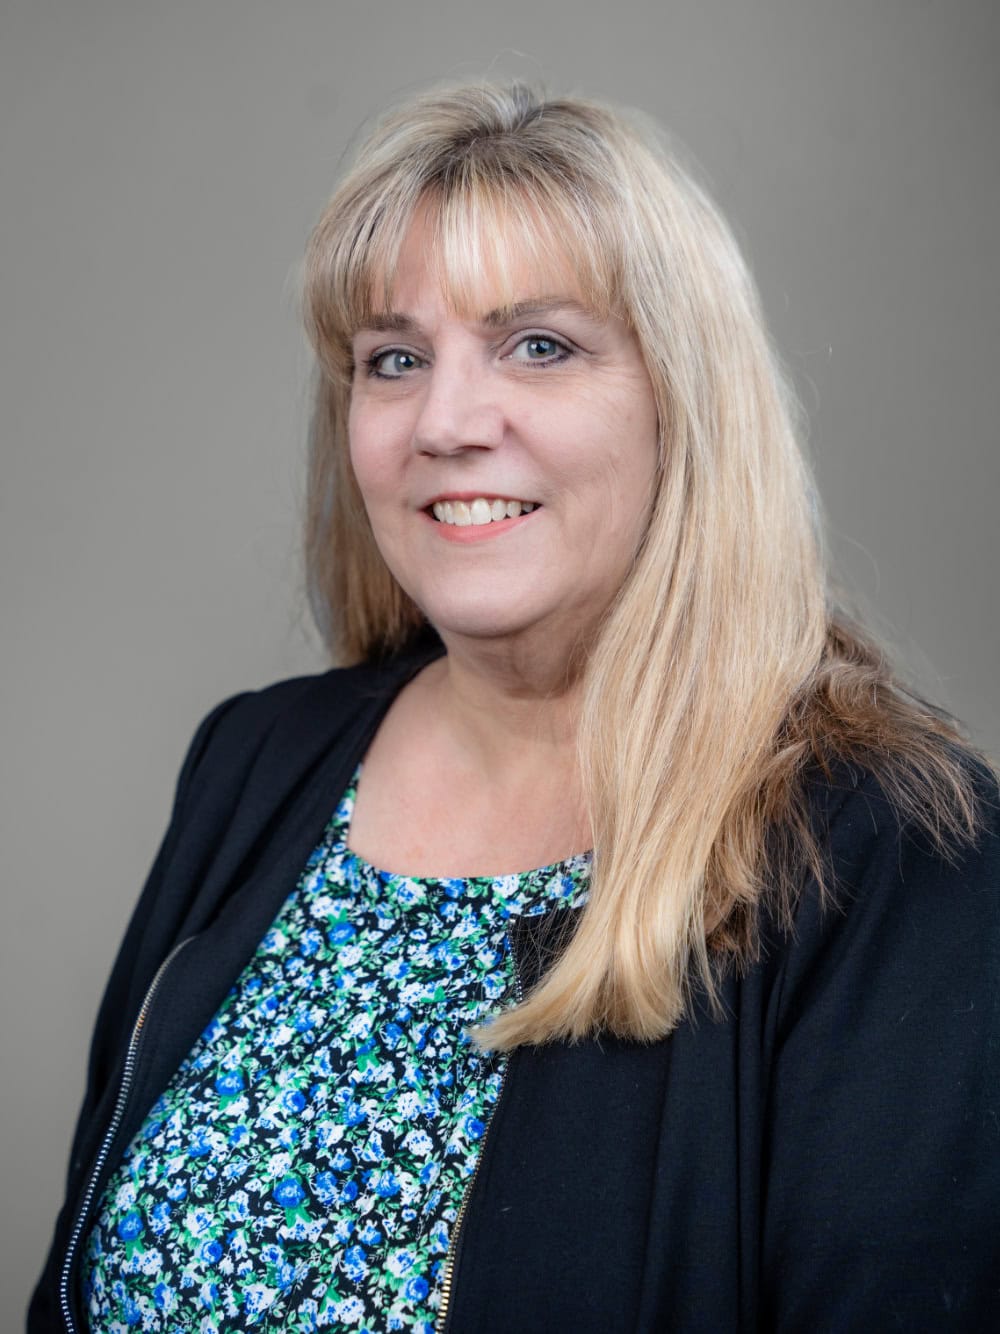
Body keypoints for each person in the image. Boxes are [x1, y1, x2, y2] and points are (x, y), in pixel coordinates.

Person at [31, 80, 999, 1333]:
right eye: (394, 358)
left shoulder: (890, 848)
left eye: (538, 345)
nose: (445, 421)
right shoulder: (255, 759)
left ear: (682, 401)